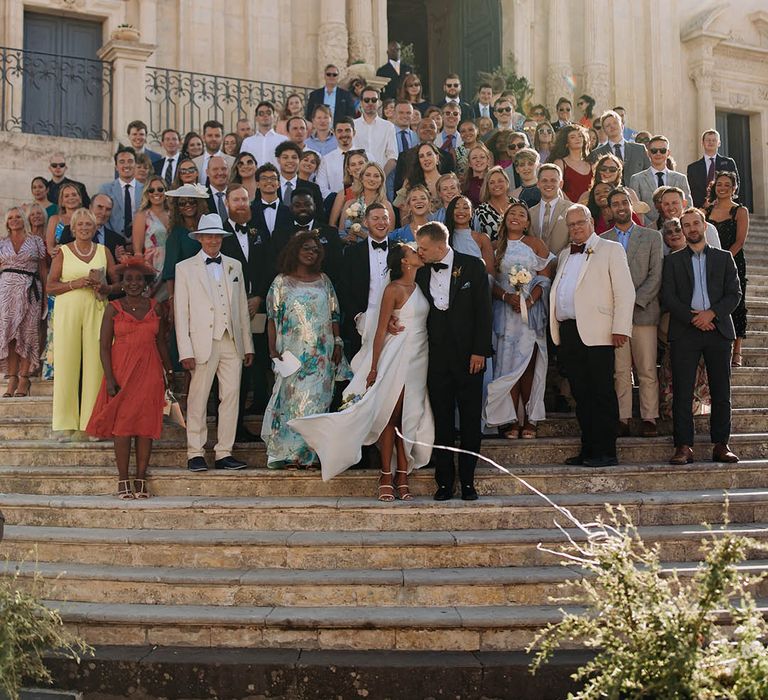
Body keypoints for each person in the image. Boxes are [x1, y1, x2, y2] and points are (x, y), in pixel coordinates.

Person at [292, 241, 433, 499]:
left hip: (419, 356)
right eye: (413, 251)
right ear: (403, 261)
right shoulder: (393, 289)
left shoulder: (421, 285)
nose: (418, 252)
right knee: (392, 414)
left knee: (410, 415)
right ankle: (388, 476)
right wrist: (373, 366)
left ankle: (403, 474)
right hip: (397, 355)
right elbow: (379, 329)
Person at [406, 222, 492, 500]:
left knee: (469, 421)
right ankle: (444, 482)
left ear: (440, 246)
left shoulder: (473, 266)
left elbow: (484, 312)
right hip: (435, 357)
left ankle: (468, 482)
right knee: (442, 421)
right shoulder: (420, 273)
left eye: (424, 248)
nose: (419, 252)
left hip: (470, 357)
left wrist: (480, 350)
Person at [550, 204, 635, 467]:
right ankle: (588, 449)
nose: (576, 228)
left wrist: (621, 327)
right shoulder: (565, 254)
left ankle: (606, 452)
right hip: (569, 332)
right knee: (581, 394)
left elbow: (625, 291)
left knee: (602, 393)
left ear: (590, 222)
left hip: (599, 332)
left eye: (580, 222)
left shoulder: (611, 249)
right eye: (571, 224)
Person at [86, 257, 173, 499]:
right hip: (121, 372)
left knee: (145, 427)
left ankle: (141, 479)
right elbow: (103, 346)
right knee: (122, 427)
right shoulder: (113, 308)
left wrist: (169, 371)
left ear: (145, 283)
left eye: (138, 279)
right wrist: (110, 378)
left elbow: (161, 343)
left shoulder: (156, 307)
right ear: (121, 283)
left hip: (149, 373)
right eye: (128, 279)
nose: (133, 283)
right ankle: (123, 479)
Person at [174, 213, 254, 472]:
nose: (212, 240)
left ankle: (224, 452)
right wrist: (184, 349)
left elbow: (242, 307)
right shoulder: (185, 268)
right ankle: (195, 452)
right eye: (208, 235)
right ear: (199, 238)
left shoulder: (234, 265)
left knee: (230, 396)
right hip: (202, 342)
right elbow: (181, 313)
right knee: (198, 397)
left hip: (232, 340)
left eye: (217, 236)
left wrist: (248, 344)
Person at [662, 208, 741, 465]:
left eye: (696, 223)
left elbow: (734, 294)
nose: (692, 228)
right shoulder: (673, 261)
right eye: (687, 225)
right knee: (682, 392)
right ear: (683, 230)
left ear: (705, 226)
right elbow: (668, 297)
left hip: (718, 331)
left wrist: (711, 314)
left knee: (721, 391)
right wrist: (693, 317)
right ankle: (683, 446)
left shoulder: (724, 257)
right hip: (685, 331)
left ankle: (721, 444)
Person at [262, 231, 349, 468]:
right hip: (291, 355)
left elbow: (334, 315)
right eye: (306, 248)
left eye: (315, 249)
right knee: (291, 405)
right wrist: (272, 351)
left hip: (322, 355)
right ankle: (289, 454)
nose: (311, 252)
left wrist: (338, 342)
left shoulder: (324, 280)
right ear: (295, 251)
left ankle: (310, 456)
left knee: (318, 404)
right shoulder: (281, 281)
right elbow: (271, 318)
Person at [485, 201, 554, 438]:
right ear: (505, 220)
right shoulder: (495, 246)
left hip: (530, 315)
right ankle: (510, 419)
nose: (516, 217)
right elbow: (490, 281)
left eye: (521, 215)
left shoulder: (536, 244)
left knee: (528, 366)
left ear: (527, 222)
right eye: (511, 214)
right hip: (504, 312)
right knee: (507, 367)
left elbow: (544, 280)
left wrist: (530, 301)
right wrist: (506, 297)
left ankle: (530, 419)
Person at [48, 208, 117, 439]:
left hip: (97, 309)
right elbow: (50, 286)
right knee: (67, 364)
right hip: (68, 309)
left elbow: (117, 283)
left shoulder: (103, 251)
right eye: (81, 225)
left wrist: (104, 287)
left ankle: (93, 423)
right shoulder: (63, 252)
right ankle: (64, 423)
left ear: (95, 227)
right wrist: (75, 283)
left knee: (95, 366)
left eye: (89, 224)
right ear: (73, 228)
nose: (85, 228)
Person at [601, 188, 663, 438]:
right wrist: (619, 306)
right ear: (609, 210)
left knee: (647, 368)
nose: (620, 207)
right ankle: (623, 417)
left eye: (624, 202)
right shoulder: (603, 240)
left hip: (644, 312)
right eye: (615, 204)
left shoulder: (651, 237)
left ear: (631, 205)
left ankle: (649, 417)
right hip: (615, 316)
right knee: (620, 369)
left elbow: (655, 275)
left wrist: (632, 302)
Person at [220, 184, 273, 441]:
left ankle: (264, 419)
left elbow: (268, 266)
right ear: (227, 203)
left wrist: (260, 296)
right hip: (229, 312)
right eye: (236, 200)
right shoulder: (218, 235)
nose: (241, 204)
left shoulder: (257, 231)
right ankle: (233, 425)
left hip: (257, 309)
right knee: (234, 371)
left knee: (261, 362)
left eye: (244, 199)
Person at [657, 218, 711, 420]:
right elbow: (666, 295)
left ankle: (698, 408)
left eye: (677, 229)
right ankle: (674, 410)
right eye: (668, 232)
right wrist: (688, 316)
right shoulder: (666, 261)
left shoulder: (707, 255)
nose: (674, 234)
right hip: (677, 323)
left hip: (706, 322)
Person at [0, 207, 47, 397]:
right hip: (6, 292)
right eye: (10, 217)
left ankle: (24, 377)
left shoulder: (36, 241)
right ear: (6, 222)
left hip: (30, 290)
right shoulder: (2, 243)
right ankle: (11, 377)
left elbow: (43, 270)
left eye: (18, 216)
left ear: (24, 219)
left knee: (28, 333)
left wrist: (45, 296)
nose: (14, 220)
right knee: (10, 335)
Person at [705, 171, 749, 367]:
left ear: (734, 188)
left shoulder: (740, 211)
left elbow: (739, 241)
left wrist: (723, 261)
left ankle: (737, 350)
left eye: (727, 185)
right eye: (719, 184)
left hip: (733, 263)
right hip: (709, 264)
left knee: (736, 304)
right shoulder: (705, 211)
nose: (722, 188)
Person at [272, 191, 343, 287]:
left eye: (307, 204)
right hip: (288, 290)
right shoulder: (279, 234)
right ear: (291, 208)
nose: (303, 208)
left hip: (323, 289)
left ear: (315, 206)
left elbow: (337, 267)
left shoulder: (330, 233)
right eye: (297, 205)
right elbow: (275, 266)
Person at [628, 135, 692, 226]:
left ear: (668, 153)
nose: (658, 154)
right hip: (648, 229)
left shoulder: (680, 178)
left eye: (662, 151)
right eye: (654, 151)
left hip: (677, 229)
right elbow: (635, 208)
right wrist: (651, 227)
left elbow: (688, 205)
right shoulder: (636, 179)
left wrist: (676, 224)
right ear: (648, 153)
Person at [132, 175, 169, 298]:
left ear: (166, 191)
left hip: (172, 263)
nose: (156, 193)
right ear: (147, 193)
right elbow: (137, 251)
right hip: (152, 266)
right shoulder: (142, 216)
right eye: (151, 190)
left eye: (160, 189)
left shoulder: (173, 214)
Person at [589, 110, 650, 184]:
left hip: (636, 193)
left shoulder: (639, 149)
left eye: (615, 123)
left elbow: (649, 175)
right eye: (608, 125)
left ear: (622, 126)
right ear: (604, 130)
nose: (612, 126)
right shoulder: (596, 153)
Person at [315, 118, 368, 200]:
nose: (344, 134)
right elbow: (321, 187)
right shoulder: (326, 160)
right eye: (339, 131)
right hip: (334, 203)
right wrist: (339, 200)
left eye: (347, 130)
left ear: (354, 132)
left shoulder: (367, 156)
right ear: (334, 133)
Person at [686, 129, 739, 208]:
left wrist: (724, 201)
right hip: (702, 209)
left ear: (719, 143)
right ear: (702, 143)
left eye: (714, 140)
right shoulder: (692, 168)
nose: (711, 142)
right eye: (708, 140)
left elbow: (736, 183)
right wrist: (704, 204)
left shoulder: (729, 163)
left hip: (726, 207)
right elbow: (691, 189)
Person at [99, 145, 144, 239]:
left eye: (130, 161)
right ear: (116, 166)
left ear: (135, 165)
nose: (126, 165)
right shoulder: (105, 189)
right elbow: (102, 217)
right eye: (122, 162)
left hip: (141, 241)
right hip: (113, 241)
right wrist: (115, 239)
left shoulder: (145, 190)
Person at [444, 195, 495, 275]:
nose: (461, 211)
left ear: (472, 213)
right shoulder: (444, 238)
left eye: (466, 208)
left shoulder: (482, 238)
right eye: (456, 207)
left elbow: (490, 272)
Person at [529, 164, 571, 255]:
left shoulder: (571, 209)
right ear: (538, 184)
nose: (548, 184)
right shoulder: (529, 213)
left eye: (553, 180)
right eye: (544, 180)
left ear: (561, 184)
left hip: (564, 264)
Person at [354, 87, 397, 172]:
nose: (370, 103)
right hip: (357, 178)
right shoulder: (353, 125)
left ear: (379, 103)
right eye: (366, 100)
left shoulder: (388, 126)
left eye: (374, 100)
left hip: (381, 179)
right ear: (361, 103)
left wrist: (381, 177)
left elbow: (393, 157)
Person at [549, 124, 592, 204]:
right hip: (567, 208)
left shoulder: (590, 164)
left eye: (580, 136)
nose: (577, 139)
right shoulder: (560, 162)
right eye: (572, 137)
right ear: (566, 143)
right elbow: (557, 188)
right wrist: (572, 206)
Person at [239, 101, 288, 169]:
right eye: (261, 113)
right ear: (256, 118)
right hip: (254, 179)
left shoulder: (283, 140)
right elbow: (241, 164)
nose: (265, 116)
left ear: (274, 117)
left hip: (276, 178)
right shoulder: (247, 142)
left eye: (268, 113)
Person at [472, 166, 513, 243]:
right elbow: (476, 242)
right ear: (487, 187)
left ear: (507, 182)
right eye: (492, 182)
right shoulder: (480, 212)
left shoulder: (519, 205)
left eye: (500, 181)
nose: (496, 185)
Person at [193, 120, 235, 186]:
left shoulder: (232, 162)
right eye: (210, 135)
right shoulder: (194, 163)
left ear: (222, 138)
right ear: (203, 137)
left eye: (217, 136)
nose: (214, 139)